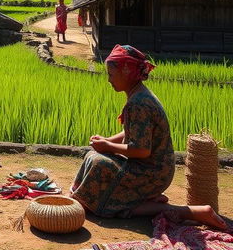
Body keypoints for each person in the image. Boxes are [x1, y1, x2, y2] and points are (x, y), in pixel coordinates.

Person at [70, 44, 226, 229]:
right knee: (93, 156)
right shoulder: (139, 94)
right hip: (152, 167)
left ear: (127, 73)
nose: (109, 80)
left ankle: (188, 211)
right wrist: (107, 141)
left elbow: (141, 150)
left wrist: (108, 147)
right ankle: (142, 199)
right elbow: (133, 134)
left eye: (111, 75)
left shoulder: (139, 103)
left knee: (100, 165)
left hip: (153, 172)